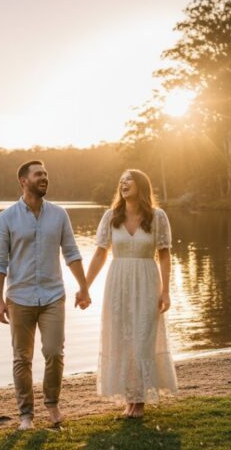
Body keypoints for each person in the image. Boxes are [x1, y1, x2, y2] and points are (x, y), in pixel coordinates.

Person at [0, 160, 91, 430]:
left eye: (46, 174)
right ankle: (26, 415)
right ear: (24, 181)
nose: (44, 178)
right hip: (19, 298)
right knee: (21, 358)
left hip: (52, 296)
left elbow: (71, 253)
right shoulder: (6, 218)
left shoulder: (59, 215)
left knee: (54, 352)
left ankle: (52, 404)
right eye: (38, 175)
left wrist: (83, 286)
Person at [84, 169, 178, 418]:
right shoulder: (110, 216)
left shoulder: (157, 217)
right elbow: (100, 253)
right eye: (121, 181)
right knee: (122, 341)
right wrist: (84, 286)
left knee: (142, 341)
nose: (123, 183)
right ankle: (130, 399)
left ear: (141, 185)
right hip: (118, 284)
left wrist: (166, 291)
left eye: (129, 180)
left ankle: (139, 401)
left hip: (147, 282)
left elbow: (165, 255)